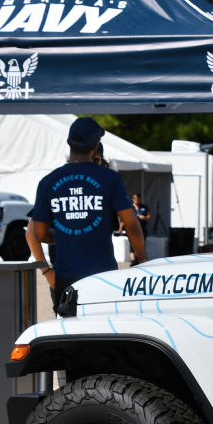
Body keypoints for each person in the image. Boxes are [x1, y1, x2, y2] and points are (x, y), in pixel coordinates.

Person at [28, 117, 147, 313]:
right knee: (105, 335)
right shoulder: (110, 178)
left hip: (66, 278)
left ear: (69, 144)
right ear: (96, 146)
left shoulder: (48, 182)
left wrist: (68, 236)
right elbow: (132, 225)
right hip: (104, 275)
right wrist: (141, 259)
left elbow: (38, 234)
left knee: (68, 337)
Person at [119, 193, 151, 266]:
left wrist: (144, 217)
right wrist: (121, 227)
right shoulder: (130, 207)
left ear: (140, 198)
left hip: (142, 228)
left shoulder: (143, 207)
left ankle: (141, 259)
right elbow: (125, 218)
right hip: (131, 228)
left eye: (137, 198)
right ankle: (133, 260)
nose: (136, 200)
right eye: (134, 198)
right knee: (132, 243)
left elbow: (149, 216)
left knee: (141, 243)